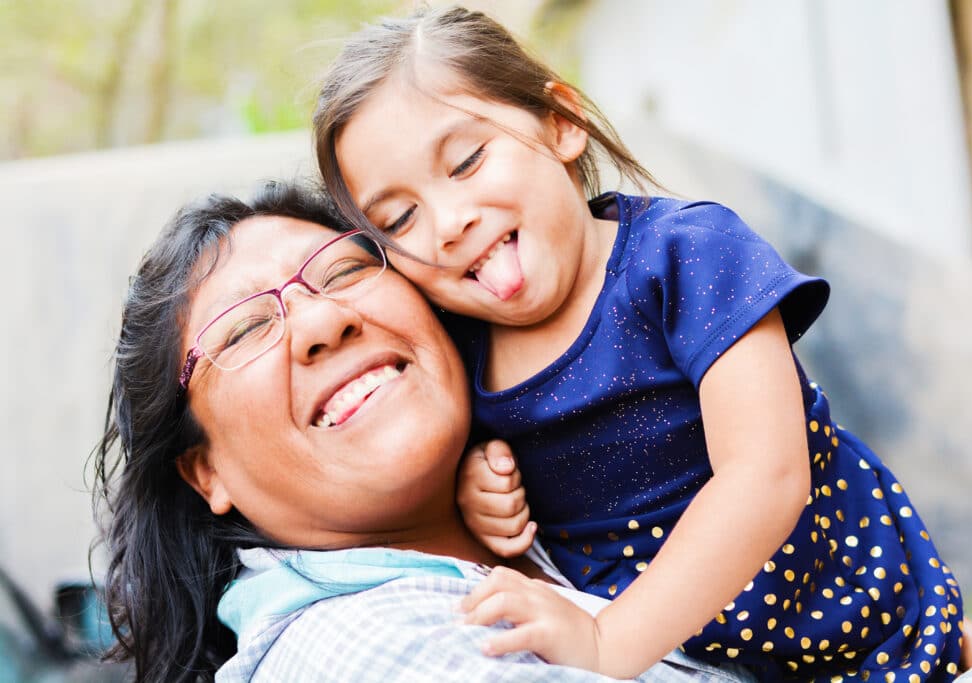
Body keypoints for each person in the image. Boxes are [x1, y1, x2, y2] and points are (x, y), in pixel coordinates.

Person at [312, 6, 972, 681]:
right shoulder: (459, 344)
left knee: (962, 654)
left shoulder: (683, 257)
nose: (447, 222)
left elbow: (768, 472)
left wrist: (610, 638)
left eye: (466, 162)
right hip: (695, 649)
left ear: (563, 123)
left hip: (834, 585)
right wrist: (479, 481)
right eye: (400, 218)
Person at [91, 181, 761, 683]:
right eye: (244, 328)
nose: (324, 322)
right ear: (206, 470)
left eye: (345, 269)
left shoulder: (569, 483)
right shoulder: (364, 653)